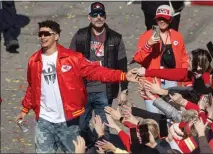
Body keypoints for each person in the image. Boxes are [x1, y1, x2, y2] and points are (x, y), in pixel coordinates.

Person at [15, 20, 137, 153]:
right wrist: (24, 109)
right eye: (40, 34)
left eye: (46, 34)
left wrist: (123, 76)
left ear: (56, 36)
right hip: (44, 121)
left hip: (68, 121)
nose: (42, 37)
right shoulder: (34, 61)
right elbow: (32, 87)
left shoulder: (72, 58)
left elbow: (96, 71)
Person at [69, 2, 128, 145]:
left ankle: (104, 148)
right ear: (89, 17)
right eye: (95, 15)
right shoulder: (80, 36)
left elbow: (122, 66)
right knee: (81, 126)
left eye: (101, 14)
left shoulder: (116, 38)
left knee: (105, 127)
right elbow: (69, 62)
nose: (98, 17)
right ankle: (91, 144)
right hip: (84, 89)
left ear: (105, 16)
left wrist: (124, 90)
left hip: (105, 90)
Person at [133, 4, 188, 116]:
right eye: (159, 18)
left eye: (165, 19)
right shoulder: (147, 36)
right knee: (154, 117)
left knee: (172, 116)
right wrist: (148, 44)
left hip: (172, 81)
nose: (162, 21)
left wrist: (184, 81)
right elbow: (138, 58)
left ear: (170, 19)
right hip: (151, 82)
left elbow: (183, 59)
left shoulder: (177, 36)